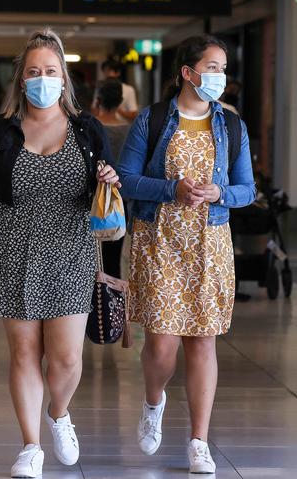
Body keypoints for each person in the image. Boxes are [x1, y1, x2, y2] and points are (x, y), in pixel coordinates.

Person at [0, 28, 119, 479]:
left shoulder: (87, 130)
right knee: (24, 354)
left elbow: (107, 189)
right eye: (34, 72)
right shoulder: (0, 131)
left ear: (64, 79)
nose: (42, 79)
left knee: (67, 357)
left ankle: (60, 413)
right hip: (11, 247)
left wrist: (108, 177)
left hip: (70, 248)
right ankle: (31, 445)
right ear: (21, 79)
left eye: (50, 71)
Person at [118, 35, 256, 474]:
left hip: (210, 243)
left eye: (222, 69)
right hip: (159, 239)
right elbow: (125, 178)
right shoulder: (153, 120)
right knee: (161, 343)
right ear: (188, 73)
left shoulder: (231, 125)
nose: (219, 76)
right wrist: (171, 189)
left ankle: (199, 440)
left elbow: (247, 189)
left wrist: (220, 192)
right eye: (212, 67)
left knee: (202, 341)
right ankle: (153, 401)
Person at [94, 79, 130, 278]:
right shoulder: (129, 130)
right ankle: (111, 303)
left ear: (98, 100)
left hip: (91, 202)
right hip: (118, 202)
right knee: (112, 259)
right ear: (120, 102)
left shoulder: (89, 128)